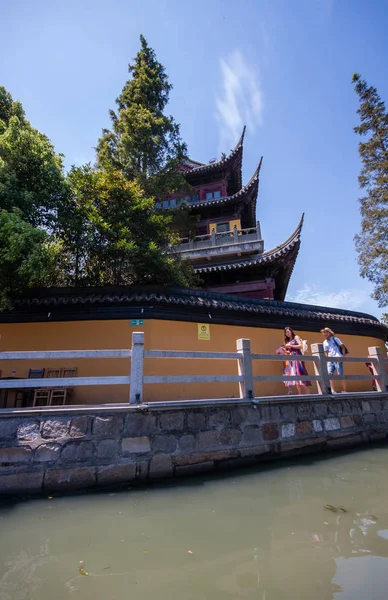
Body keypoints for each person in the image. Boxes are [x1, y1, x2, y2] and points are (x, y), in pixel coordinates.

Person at [283, 327, 311, 394]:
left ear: (291, 331)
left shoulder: (296, 337)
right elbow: (289, 352)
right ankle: (300, 393)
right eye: (286, 332)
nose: (287, 333)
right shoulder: (288, 341)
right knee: (294, 375)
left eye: (288, 331)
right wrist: (285, 351)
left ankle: (308, 393)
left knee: (300, 373)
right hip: (291, 359)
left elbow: (300, 346)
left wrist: (290, 346)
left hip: (297, 356)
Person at [321, 327, 347, 393]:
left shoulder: (336, 339)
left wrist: (343, 356)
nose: (325, 334)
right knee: (329, 374)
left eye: (326, 333)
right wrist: (327, 359)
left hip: (338, 357)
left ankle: (344, 390)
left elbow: (343, 346)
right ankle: (333, 390)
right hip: (330, 358)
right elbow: (326, 351)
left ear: (329, 333)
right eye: (324, 333)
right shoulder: (324, 342)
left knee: (340, 374)